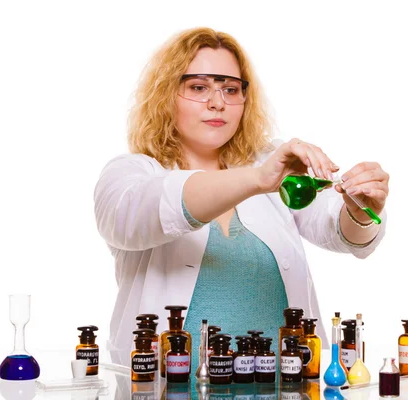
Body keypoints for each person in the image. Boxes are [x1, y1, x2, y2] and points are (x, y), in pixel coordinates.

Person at [94, 27, 389, 368]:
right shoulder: (129, 174)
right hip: (170, 388)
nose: (217, 102)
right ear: (165, 95)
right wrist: (259, 178)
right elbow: (149, 208)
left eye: (230, 89)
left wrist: (362, 209)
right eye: (198, 87)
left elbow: (339, 232)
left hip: (282, 385)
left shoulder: (271, 168)